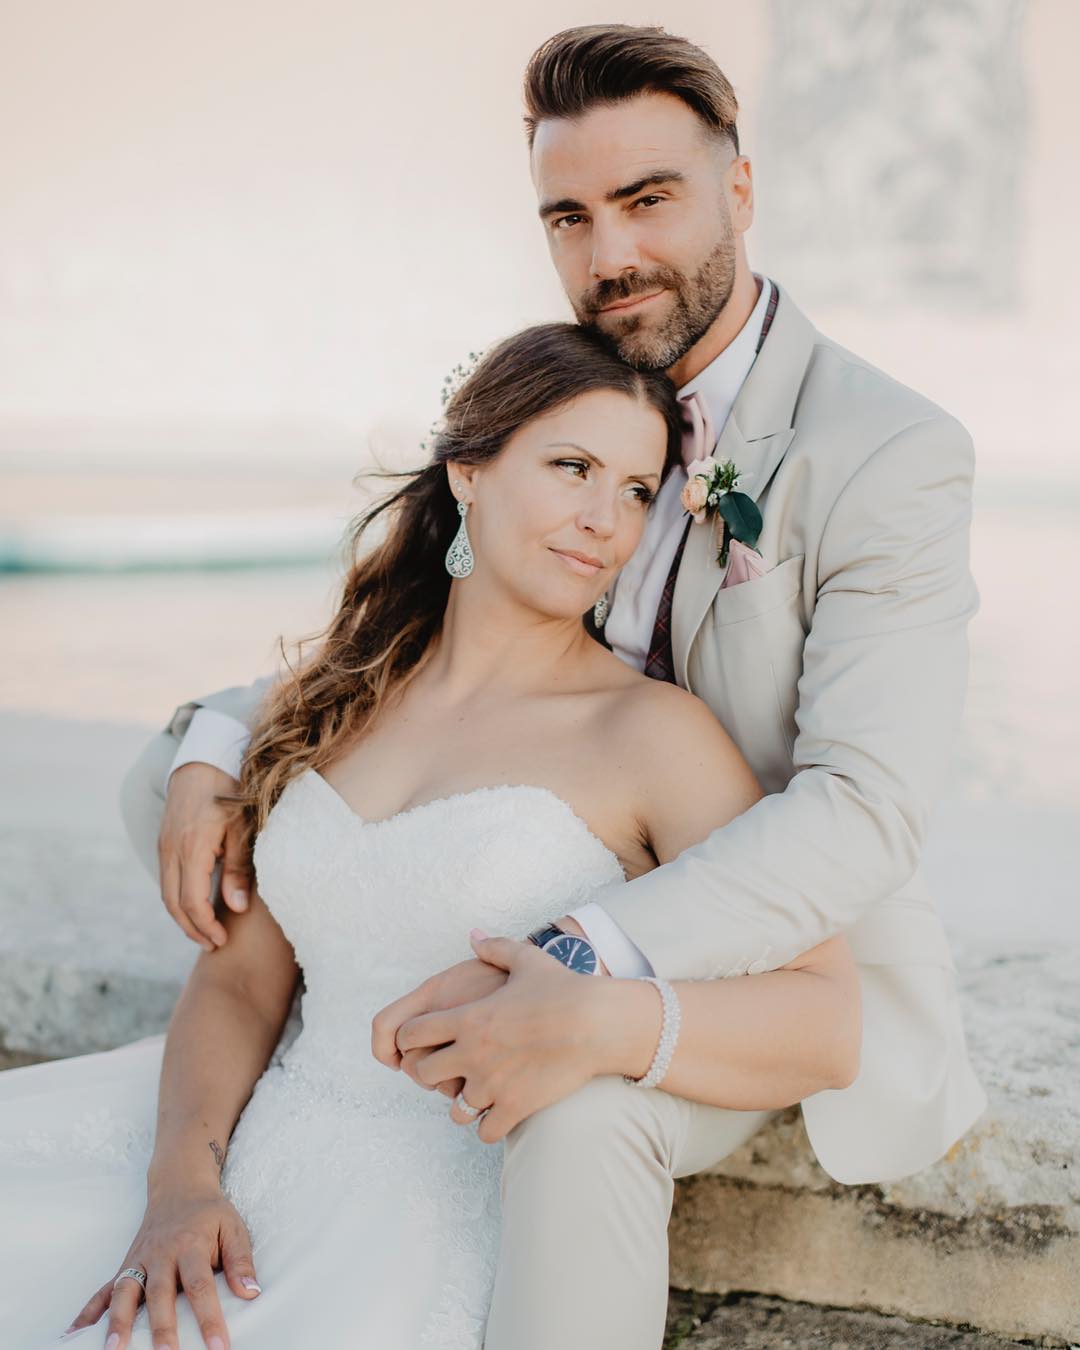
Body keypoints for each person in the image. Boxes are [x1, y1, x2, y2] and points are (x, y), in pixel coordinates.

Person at [54, 19, 986, 1350]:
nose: (609, 255)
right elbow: (434, 639)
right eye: (569, 215)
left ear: (740, 185)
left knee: (586, 1102)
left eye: (647, 199)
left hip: (747, 973)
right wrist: (221, 736)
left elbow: (866, 810)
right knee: (217, 814)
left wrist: (579, 961)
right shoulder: (583, 391)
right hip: (448, 972)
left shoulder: (883, 448)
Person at [0, 323, 860, 1350]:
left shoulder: (651, 734)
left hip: (428, 1205)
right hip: (250, 1138)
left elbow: (824, 1015)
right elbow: (238, 984)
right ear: (468, 473)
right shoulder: (340, 697)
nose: (605, 522)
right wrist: (181, 1187)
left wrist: (614, 1022)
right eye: (572, 468)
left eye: (637, 490)